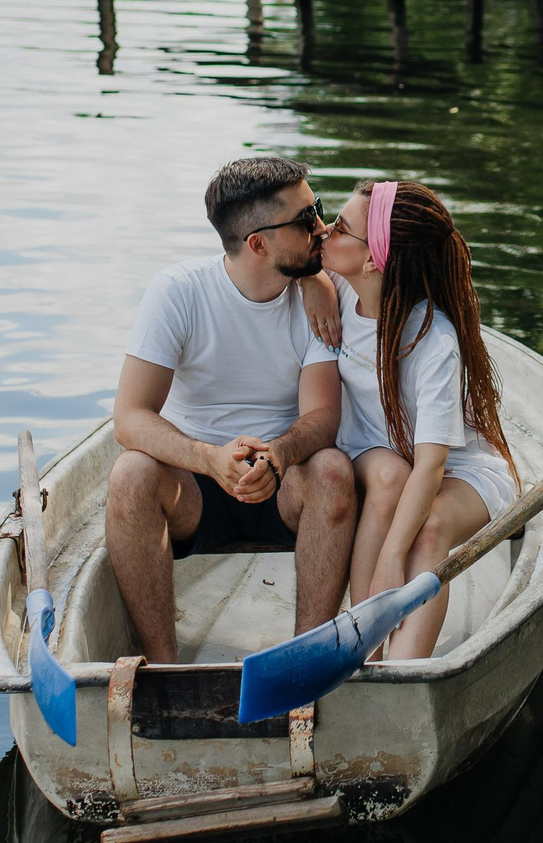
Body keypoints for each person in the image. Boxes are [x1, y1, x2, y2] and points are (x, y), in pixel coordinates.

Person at [105, 156, 357, 663]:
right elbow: (130, 417)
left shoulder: (322, 295)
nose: (322, 227)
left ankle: (305, 663)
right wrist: (209, 458)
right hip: (196, 487)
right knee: (130, 475)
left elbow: (324, 418)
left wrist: (280, 454)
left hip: (285, 482)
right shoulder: (179, 292)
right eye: (305, 219)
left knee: (333, 470)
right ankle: (164, 670)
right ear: (258, 244)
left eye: (318, 209)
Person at [306, 179, 520, 660]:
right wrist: (310, 283)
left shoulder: (431, 340)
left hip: (460, 470)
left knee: (428, 529)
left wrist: (391, 558)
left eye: (339, 227)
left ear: (372, 260)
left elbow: (432, 466)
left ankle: (403, 672)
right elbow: (290, 259)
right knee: (389, 479)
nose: (323, 231)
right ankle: (363, 655)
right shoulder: (338, 287)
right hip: (379, 453)